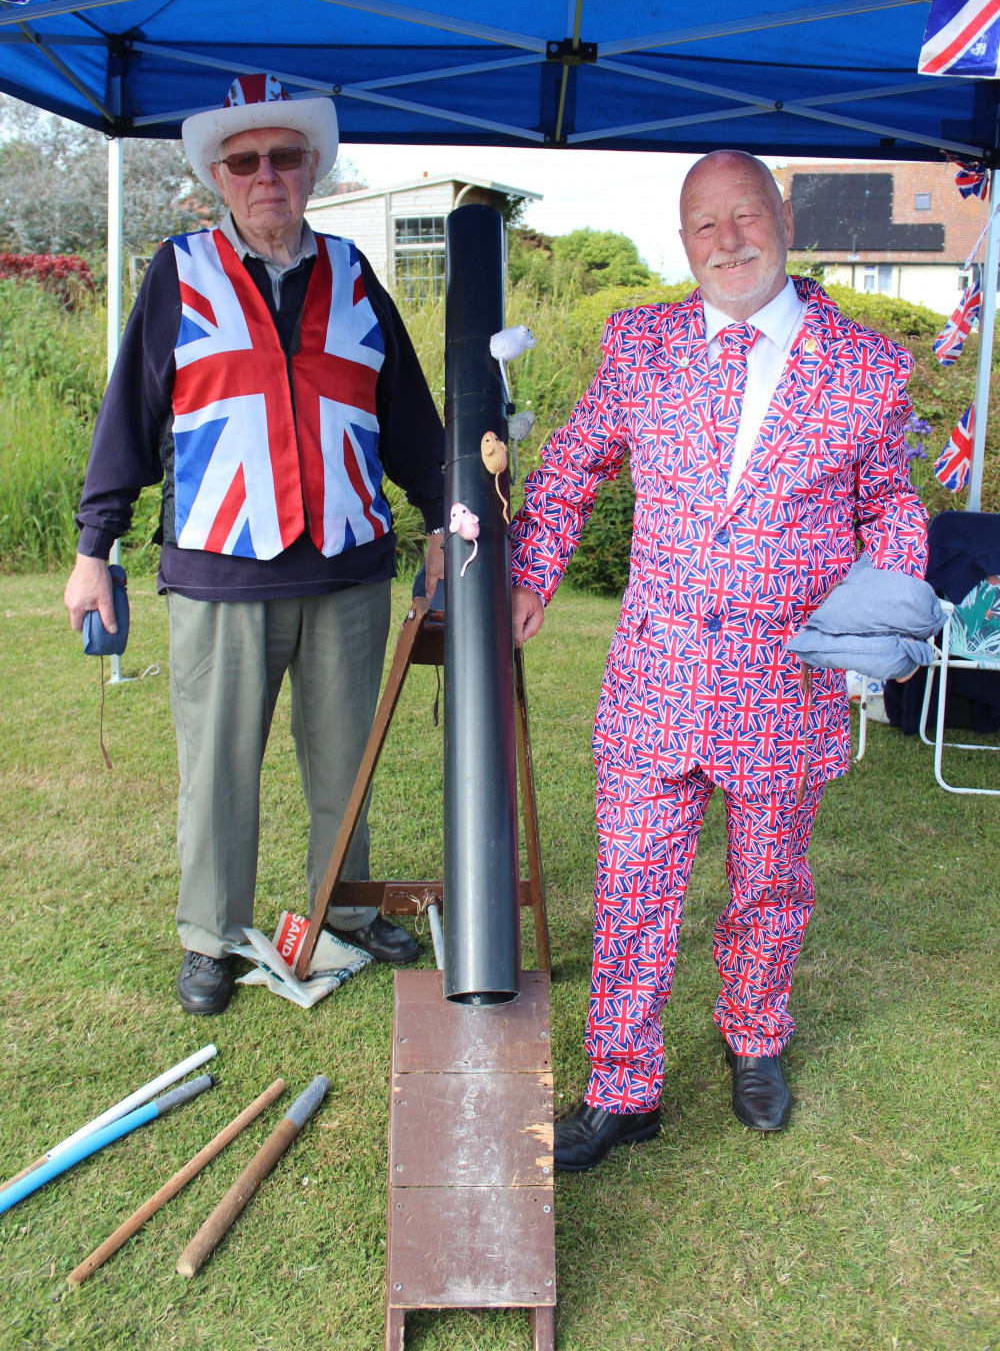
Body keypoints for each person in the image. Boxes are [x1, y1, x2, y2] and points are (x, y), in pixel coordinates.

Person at [509, 150, 927, 1171]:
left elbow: (893, 504)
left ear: (781, 219)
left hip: (786, 687)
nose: (727, 240)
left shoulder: (865, 366)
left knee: (768, 886)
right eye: (704, 224)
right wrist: (529, 571)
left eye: (745, 216)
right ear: (682, 241)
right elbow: (569, 466)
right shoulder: (640, 344)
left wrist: (888, 597)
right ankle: (622, 1088)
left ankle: (753, 1038)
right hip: (657, 678)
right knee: (631, 887)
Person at [64, 74, 445, 1016]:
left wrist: (443, 521)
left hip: (347, 567)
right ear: (219, 178)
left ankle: (345, 910)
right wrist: (91, 545)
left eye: (284, 157)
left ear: (311, 169)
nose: (266, 175)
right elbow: (130, 416)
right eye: (246, 161)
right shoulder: (179, 271)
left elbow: (409, 421)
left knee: (346, 760)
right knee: (220, 766)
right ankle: (213, 935)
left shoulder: (356, 273)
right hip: (219, 570)